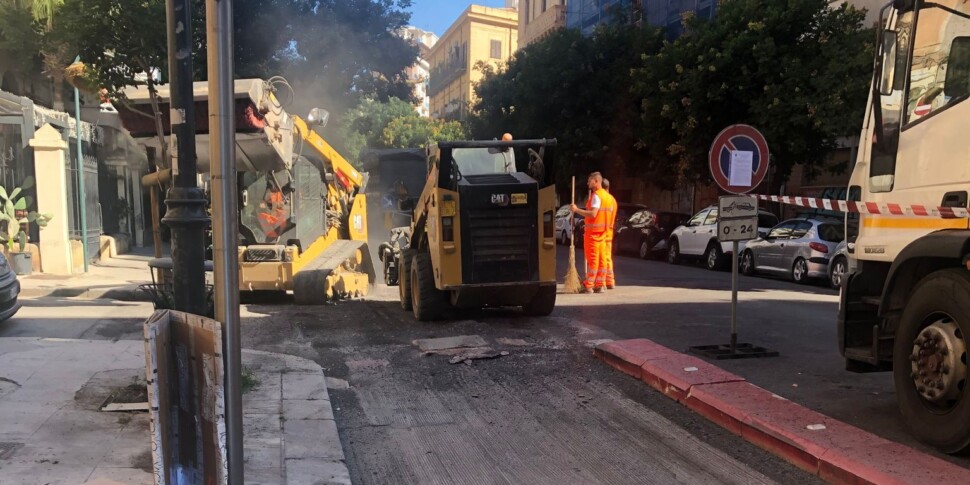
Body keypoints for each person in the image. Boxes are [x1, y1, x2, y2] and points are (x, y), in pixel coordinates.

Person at [571, 172, 611, 293]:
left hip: (593, 233)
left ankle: (588, 285)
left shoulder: (596, 196)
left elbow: (593, 214)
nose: (588, 183)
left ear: (596, 181)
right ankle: (599, 284)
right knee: (602, 260)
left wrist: (577, 210)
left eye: (590, 181)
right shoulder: (608, 197)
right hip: (603, 233)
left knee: (593, 260)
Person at [602, 178, 617, 289]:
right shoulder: (613, 200)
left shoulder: (603, 199)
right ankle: (610, 280)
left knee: (602, 258)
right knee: (607, 257)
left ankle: (603, 281)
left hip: (602, 232)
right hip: (609, 231)